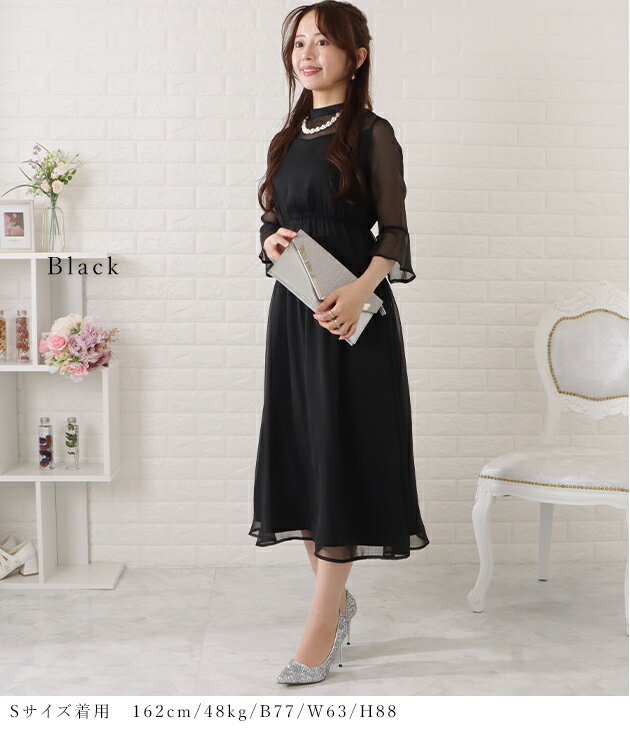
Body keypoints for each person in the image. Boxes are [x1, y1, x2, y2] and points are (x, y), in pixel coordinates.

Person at [249, 0, 430, 685]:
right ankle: (337, 605)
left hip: (353, 322)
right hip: (295, 316)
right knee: (304, 455)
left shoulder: (375, 134)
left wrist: (359, 292)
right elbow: (273, 220)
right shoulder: (285, 138)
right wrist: (270, 241)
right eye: (299, 42)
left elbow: (395, 233)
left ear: (356, 56)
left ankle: (321, 626)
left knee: (341, 457)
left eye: (322, 42)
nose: (307, 53)